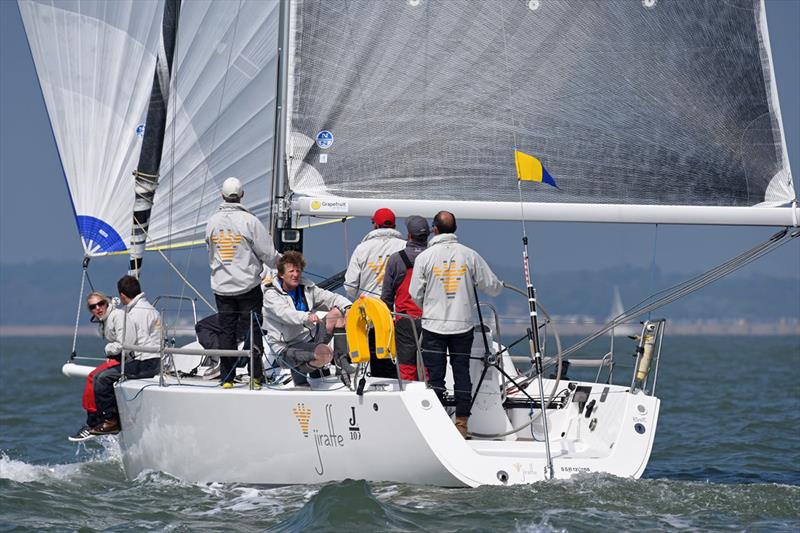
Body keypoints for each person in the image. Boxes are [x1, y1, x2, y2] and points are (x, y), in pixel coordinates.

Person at [409, 211, 503, 438]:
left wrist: (430, 307)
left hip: (433, 326)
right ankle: (461, 424)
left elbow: (414, 293)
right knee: (462, 374)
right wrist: (500, 284)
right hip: (462, 326)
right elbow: (492, 287)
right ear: (456, 228)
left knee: (436, 377)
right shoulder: (469, 255)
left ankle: (438, 423)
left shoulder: (425, 257)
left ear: (434, 229)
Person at [206, 176, 280, 389]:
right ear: (242, 195)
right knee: (253, 329)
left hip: (222, 287)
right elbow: (268, 254)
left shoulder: (212, 222)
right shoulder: (250, 221)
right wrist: (283, 264)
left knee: (226, 332)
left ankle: (227, 378)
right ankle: (255, 376)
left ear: (222, 195)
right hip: (248, 286)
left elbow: (211, 252)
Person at [263, 251, 352, 387]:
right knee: (325, 354)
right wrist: (307, 316)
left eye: (298, 270)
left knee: (336, 313)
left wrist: (348, 307)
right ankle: (299, 372)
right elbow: (285, 314)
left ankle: (341, 364)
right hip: (286, 347)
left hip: (308, 338)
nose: (296, 274)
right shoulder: (271, 294)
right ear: (281, 274)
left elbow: (331, 297)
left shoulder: (307, 288)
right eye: (291, 271)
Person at [90, 275, 162, 435]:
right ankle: (106, 419)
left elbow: (129, 342)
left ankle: (111, 421)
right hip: (157, 359)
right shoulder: (149, 308)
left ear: (122, 295)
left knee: (102, 378)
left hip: (147, 362)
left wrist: (110, 349)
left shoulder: (134, 313)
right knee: (101, 376)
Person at [344, 208, 405, 377]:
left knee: (378, 359)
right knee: (400, 363)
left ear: (375, 225)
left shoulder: (362, 249)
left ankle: (380, 391)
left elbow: (350, 285)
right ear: (394, 225)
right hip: (398, 314)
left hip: (371, 315)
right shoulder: (405, 246)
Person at [68, 291, 126, 441]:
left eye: (101, 304)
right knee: (92, 377)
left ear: (107, 303)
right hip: (117, 357)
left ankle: (96, 422)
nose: (98, 308)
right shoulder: (104, 319)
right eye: (93, 306)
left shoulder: (117, 315)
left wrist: (108, 350)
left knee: (94, 378)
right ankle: (95, 422)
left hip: (128, 358)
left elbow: (122, 343)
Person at [381, 215, 429, 381]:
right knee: (430, 366)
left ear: (409, 236)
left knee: (406, 366)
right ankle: (434, 398)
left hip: (404, 320)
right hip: (431, 319)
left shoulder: (396, 259)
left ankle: (410, 400)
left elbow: (387, 296)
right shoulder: (433, 257)